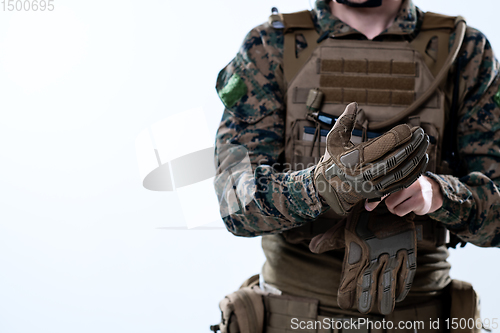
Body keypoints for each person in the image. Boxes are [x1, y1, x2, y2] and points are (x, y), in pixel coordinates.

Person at [213, 0, 500, 331]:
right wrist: (323, 186)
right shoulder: (270, 46)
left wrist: (436, 193)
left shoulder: (464, 50)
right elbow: (235, 204)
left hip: (424, 317)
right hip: (292, 317)